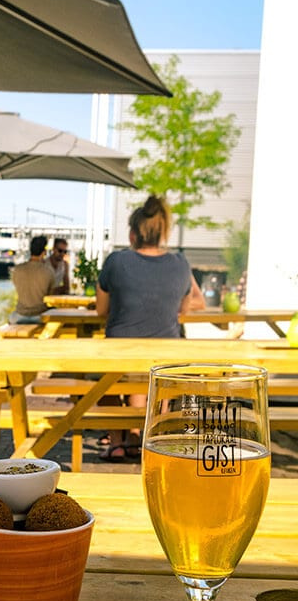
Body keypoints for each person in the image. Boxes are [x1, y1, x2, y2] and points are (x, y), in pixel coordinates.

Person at [94, 195, 205, 460]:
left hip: (120, 355)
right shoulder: (180, 263)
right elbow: (185, 309)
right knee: (144, 379)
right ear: (163, 232)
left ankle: (119, 442)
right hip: (166, 361)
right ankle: (142, 439)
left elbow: (101, 310)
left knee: (97, 380)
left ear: (133, 233)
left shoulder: (116, 261)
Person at [9, 235, 56, 323]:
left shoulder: (17, 270)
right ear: (44, 252)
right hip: (40, 316)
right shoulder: (48, 271)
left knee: (11, 316)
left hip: (19, 316)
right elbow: (50, 297)